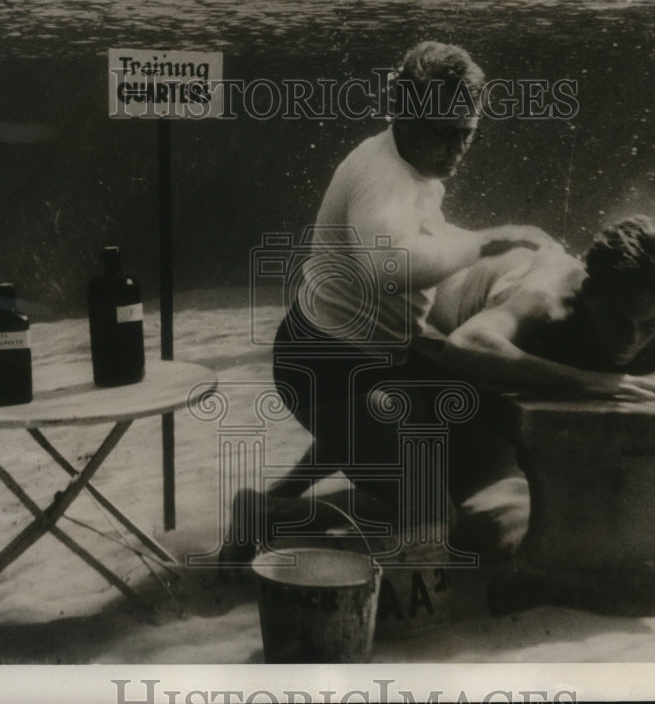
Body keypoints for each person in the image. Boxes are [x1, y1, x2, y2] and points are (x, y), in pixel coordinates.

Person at [220, 42, 554, 569]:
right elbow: (390, 265)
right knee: (431, 519)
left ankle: (271, 503)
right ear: (403, 114)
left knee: (395, 419)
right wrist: (488, 241)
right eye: (444, 133)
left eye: (468, 134)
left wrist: (502, 248)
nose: (457, 149)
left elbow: (424, 237)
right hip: (327, 367)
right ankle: (272, 521)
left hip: (359, 359)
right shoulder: (383, 176)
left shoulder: (407, 162)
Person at [430, 213, 655, 405]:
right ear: (590, 293)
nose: (631, 338)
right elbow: (463, 345)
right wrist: (593, 381)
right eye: (617, 319)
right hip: (452, 280)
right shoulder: (546, 300)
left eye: (649, 325)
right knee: (423, 245)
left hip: (528, 263)